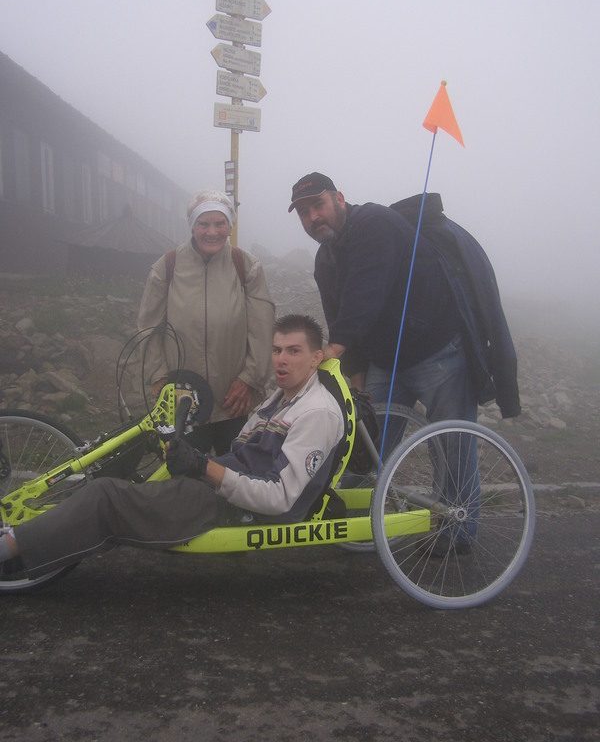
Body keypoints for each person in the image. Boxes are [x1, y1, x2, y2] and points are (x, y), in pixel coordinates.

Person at [0, 316, 345, 577]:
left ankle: (10, 549)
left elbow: (279, 498)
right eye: (277, 350)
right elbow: (242, 451)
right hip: (220, 490)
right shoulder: (282, 396)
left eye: (294, 351)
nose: (281, 360)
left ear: (316, 358)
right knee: (110, 484)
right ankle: (26, 545)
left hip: (233, 507)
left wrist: (202, 467)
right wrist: (192, 460)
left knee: (106, 496)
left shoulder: (316, 413)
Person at [289, 173, 520, 553]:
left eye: (318, 205)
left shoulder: (374, 224)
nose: (313, 217)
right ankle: (355, 523)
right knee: (366, 442)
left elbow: (366, 292)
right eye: (304, 212)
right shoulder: (325, 258)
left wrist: (333, 350)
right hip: (386, 360)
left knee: (451, 444)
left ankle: (456, 532)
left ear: (339, 199)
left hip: (440, 352)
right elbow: (339, 315)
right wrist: (354, 376)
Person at [137, 189, 275, 455]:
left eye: (219, 223)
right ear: (192, 226)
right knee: (188, 481)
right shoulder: (167, 267)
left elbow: (262, 328)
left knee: (236, 478)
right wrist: (158, 378)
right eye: (203, 224)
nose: (212, 232)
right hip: (183, 398)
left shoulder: (246, 266)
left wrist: (249, 380)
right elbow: (148, 326)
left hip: (234, 399)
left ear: (229, 225)